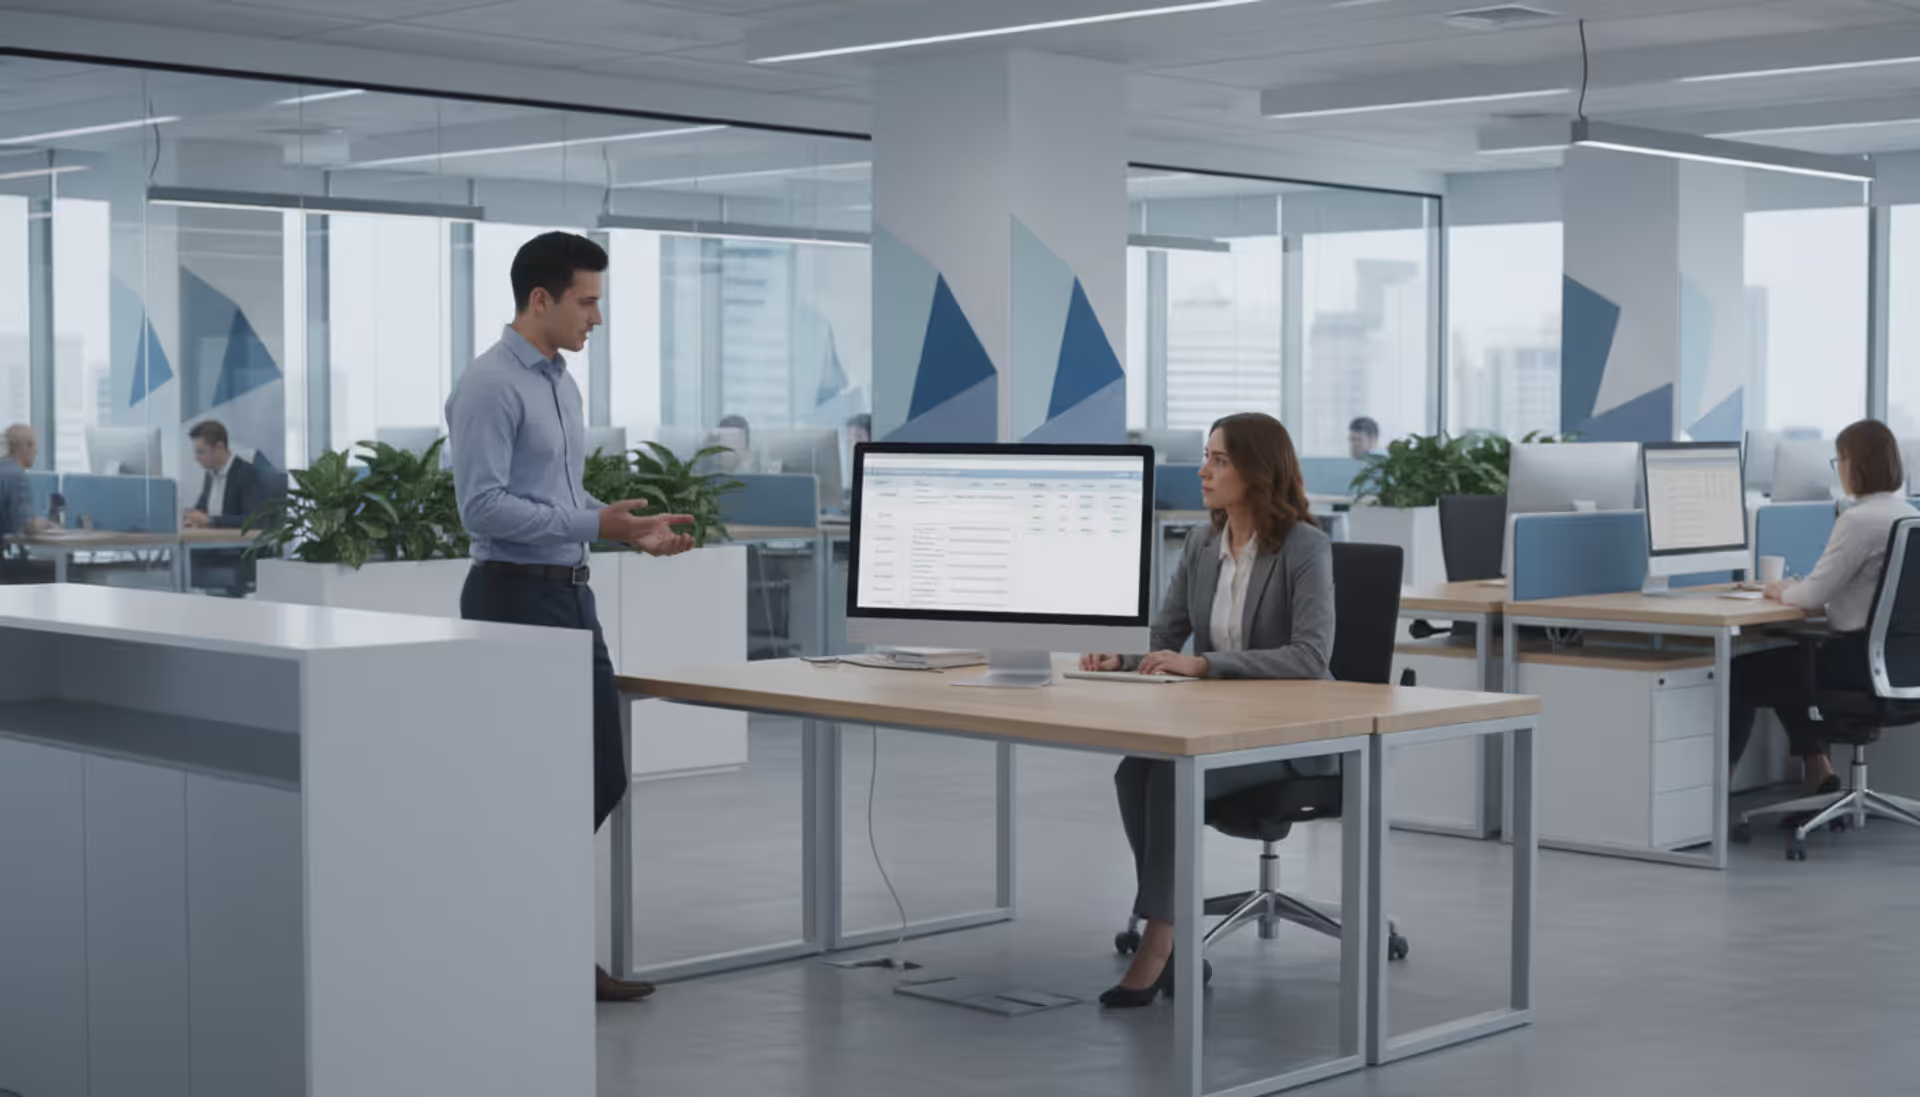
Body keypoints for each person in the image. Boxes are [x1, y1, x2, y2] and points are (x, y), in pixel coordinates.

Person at [446, 231, 695, 1004]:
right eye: (587, 302)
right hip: (512, 597)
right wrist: (597, 527)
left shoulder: (561, 380)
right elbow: (480, 507)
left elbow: (555, 499)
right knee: (547, 783)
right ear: (541, 299)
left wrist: (626, 529)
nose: (597, 318)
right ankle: (529, 945)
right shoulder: (489, 385)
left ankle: (529, 936)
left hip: (564, 593)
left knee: (595, 775)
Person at [1079, 411, 1335, 1008]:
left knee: (1169, 775)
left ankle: (1162, 941)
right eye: (1207, 456)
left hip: (1290, 741)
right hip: (1220, 729)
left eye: (1219, 460)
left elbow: (1310, 655)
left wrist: (1208, 665)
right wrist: (1120, 658)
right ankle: (1172, 926)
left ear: (1257, 471)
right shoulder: (1201, 543)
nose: (1204, 471)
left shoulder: (1305, 547)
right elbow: (1166, 635)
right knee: (1134, 768)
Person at [1731, 419, 1918, 796]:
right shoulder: (1908, 515)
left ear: (1852, 465)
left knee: (1740, 675)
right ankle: (1819, 771)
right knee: (1794, 664)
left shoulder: (1858, 520)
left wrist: (1778, 588)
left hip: (1856, 664)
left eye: (1840, 461)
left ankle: (1711, 798)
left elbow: (1811, 598)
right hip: (1903, 666)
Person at [184, 420, 272, 529]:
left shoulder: (246, 473)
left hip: (235, 544)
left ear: (219, 447)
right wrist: (190, 516)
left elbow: (253, 520)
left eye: (201, 452)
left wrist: (211, 520)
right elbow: (201, 509)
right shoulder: (210, 474)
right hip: (212, 542)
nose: (197, 459)